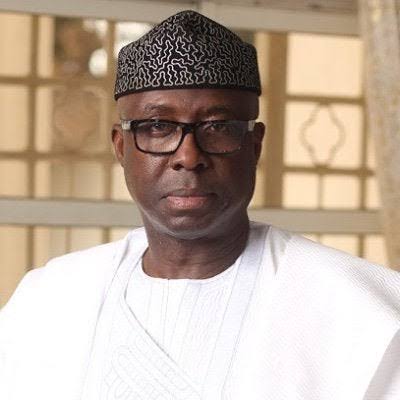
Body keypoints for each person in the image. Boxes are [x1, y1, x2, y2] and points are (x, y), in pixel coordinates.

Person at [1, 10, 399, 400]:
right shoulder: (50, 299)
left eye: (217, 127)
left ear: (254, 145)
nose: (188, 156)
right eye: (158, 126)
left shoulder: (362, 313)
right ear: (121, 147)